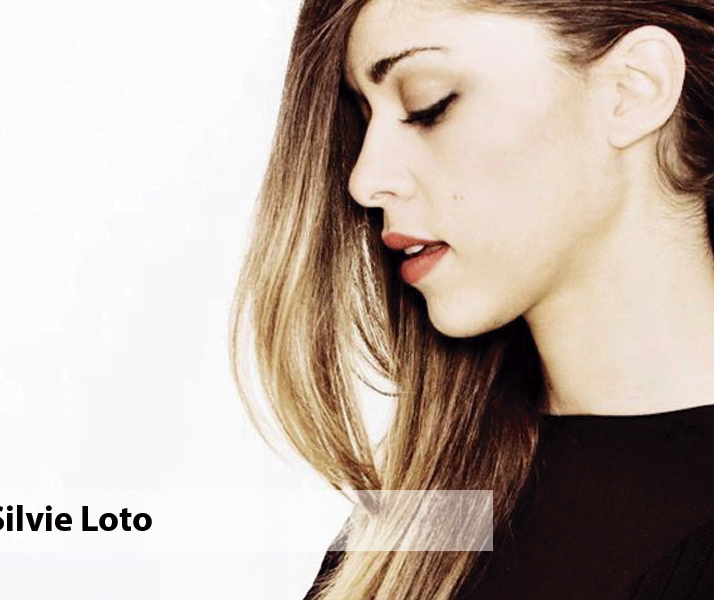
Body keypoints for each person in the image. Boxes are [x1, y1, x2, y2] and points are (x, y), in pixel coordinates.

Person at [229, 1, 714, 599]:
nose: (365, 179)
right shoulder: (423, 522)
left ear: (634, 89)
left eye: (428, 105)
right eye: (365, 117)